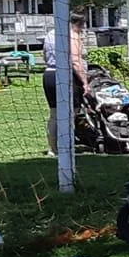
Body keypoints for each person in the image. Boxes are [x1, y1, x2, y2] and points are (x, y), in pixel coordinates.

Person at [42, 10, 91, 157]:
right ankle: (66, 146)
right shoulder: (73, 35)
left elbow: (45, 55)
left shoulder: (50, 34)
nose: (82, 30)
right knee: (71, 113)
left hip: (49, 74)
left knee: (55, 114)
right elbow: (75, 61)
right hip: (65, 75)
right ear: (78, 24)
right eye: (82, 27)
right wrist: (84, 82)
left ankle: (53, 149)